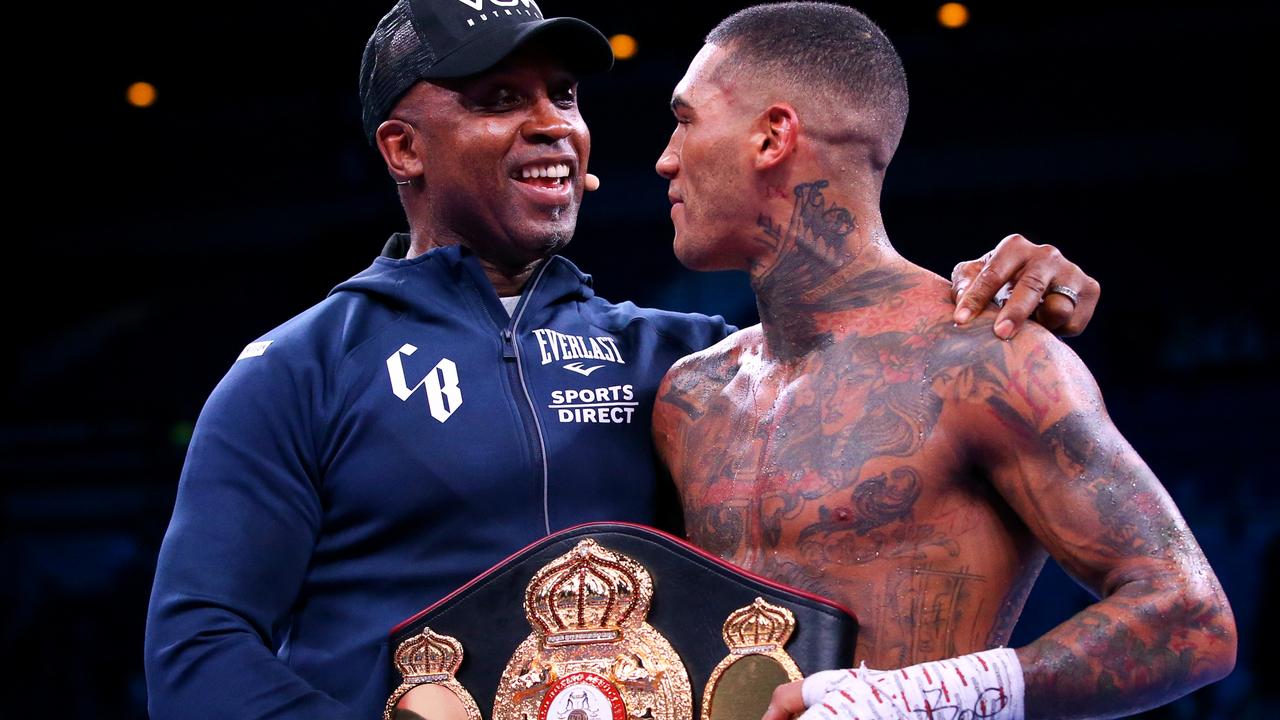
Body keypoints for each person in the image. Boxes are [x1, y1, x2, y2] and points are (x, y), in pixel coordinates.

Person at [143, 2, 1102, 718]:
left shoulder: (686, 365)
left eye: (562, 94)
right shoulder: (296, 370)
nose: (552, 121)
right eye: (498, 100)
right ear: (403, 147)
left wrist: (1006, 283)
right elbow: (196, 649)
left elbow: (882, 354)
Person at [648, 4, 1236, 720]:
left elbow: (1191, 619)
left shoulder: (981, 363)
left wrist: (920, 700)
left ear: (772, 136)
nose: (666, 158)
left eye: (686, 119)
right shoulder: (693, 395)